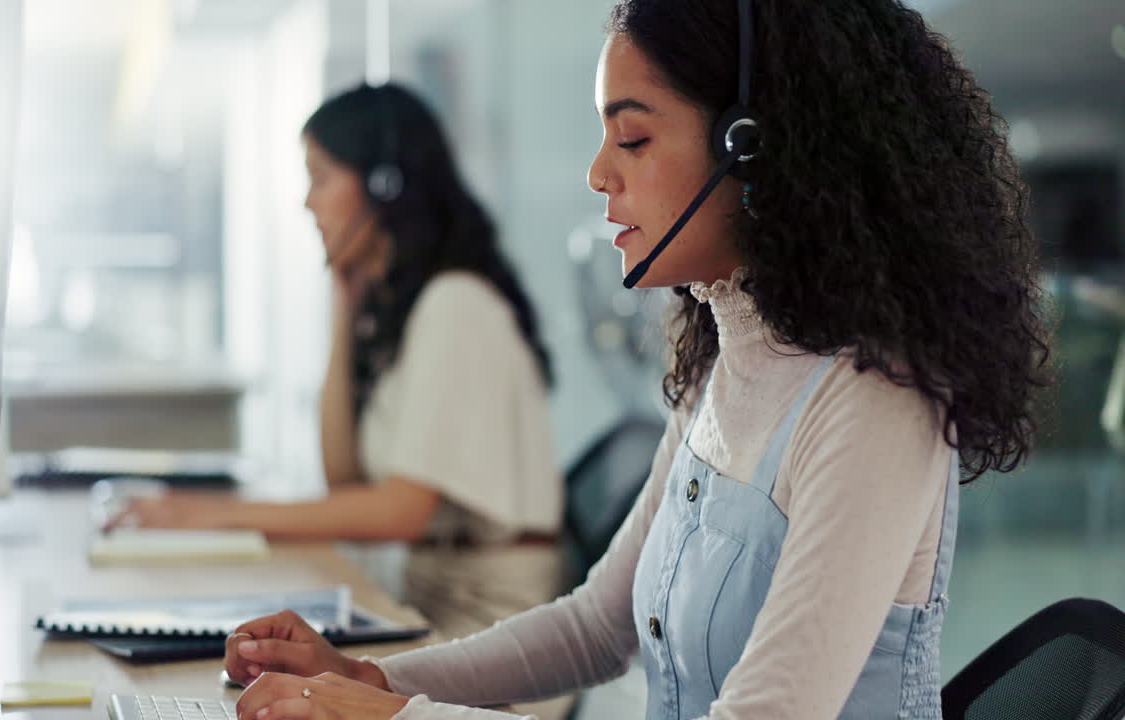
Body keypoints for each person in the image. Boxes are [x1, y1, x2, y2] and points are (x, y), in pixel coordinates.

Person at [220, 1, 1052, 719]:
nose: (598, 173)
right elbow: (595, 626)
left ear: (752, 148)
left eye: (633, 137)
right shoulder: (725, 366)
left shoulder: (874, 399)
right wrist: (370, 678)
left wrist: (397, 715)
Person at [112, 83, 564, 637]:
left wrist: (215, 514)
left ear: (384, 186)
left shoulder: (456, 305)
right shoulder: (407, 311)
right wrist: (344, 309)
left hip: (489, 627)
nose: (308, 202)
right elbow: (343, 481)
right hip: (430, 604)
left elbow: (399, 513)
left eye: (320, 177)